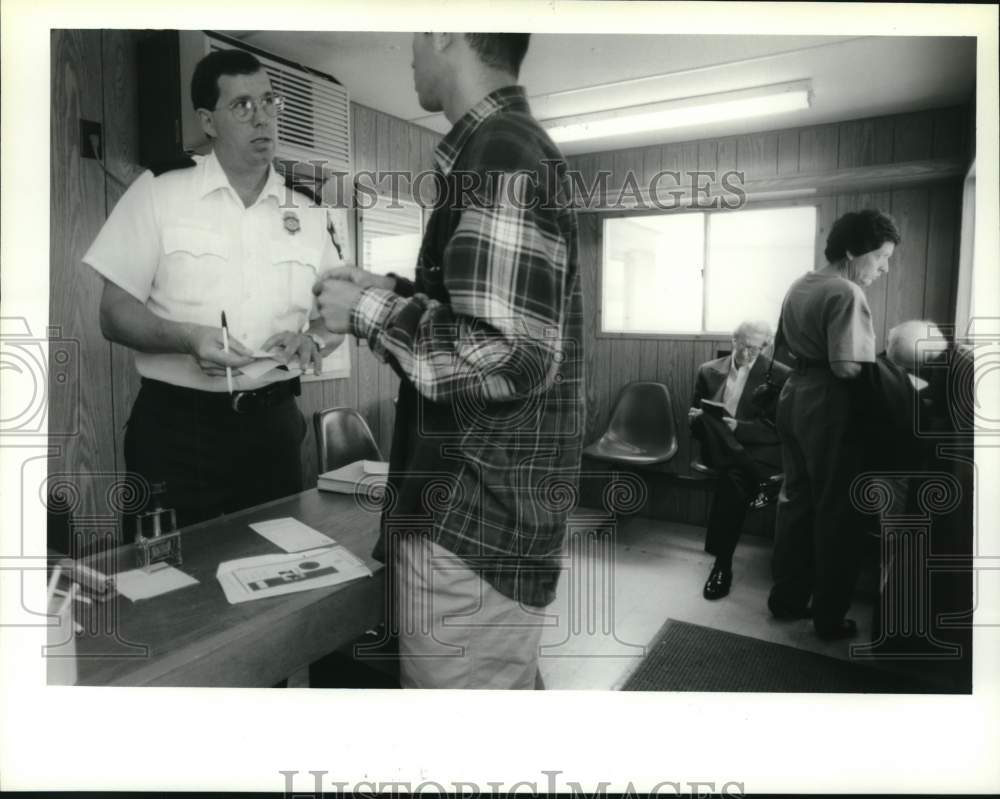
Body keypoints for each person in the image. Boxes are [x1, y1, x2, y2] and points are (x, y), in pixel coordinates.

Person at [314, 33, 583, 689]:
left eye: (413, 35)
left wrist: (364, 313)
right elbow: (481, 319)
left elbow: (505, 353)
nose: (408, 53)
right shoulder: (497, 150)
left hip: (473, 528)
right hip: (482, 522)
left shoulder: (501, 155)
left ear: (444, 33)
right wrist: (385, 291)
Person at [83, 49, 345, 530]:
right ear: (208, 121)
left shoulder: (307, 209)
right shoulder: (159, 190)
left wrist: (314, 340)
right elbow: (113, 313)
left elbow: (335, 315)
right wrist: (187, 338)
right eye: (243, 105)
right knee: (166, 583)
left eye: (269, 101)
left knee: (276, 573)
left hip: (272, 428)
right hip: (177, 431)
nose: (262, 117)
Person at [768, 209, 901, 640]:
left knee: (795, 502)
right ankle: (828, 616)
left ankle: (787, 599)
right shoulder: (845, 291)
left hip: (793, 396)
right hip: (828, 403)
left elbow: (783, 348)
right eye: (880, 257)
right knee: (836, 513)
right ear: (851, 250)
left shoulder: (801, 284)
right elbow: (847, 368)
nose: (884, 268)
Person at [689, 320, 791, 600]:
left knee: (732, 480)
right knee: (718, 440)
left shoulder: (781, 375)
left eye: (755, 348)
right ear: (733, 340)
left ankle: (722, 565)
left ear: (766, 346)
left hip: (756, 447)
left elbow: (778, 427)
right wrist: (697, 420)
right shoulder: (708, 371)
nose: (748, 353)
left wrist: (739, 428)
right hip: (719, 446)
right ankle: (762, 483)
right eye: (743, 345)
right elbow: (696, 426)